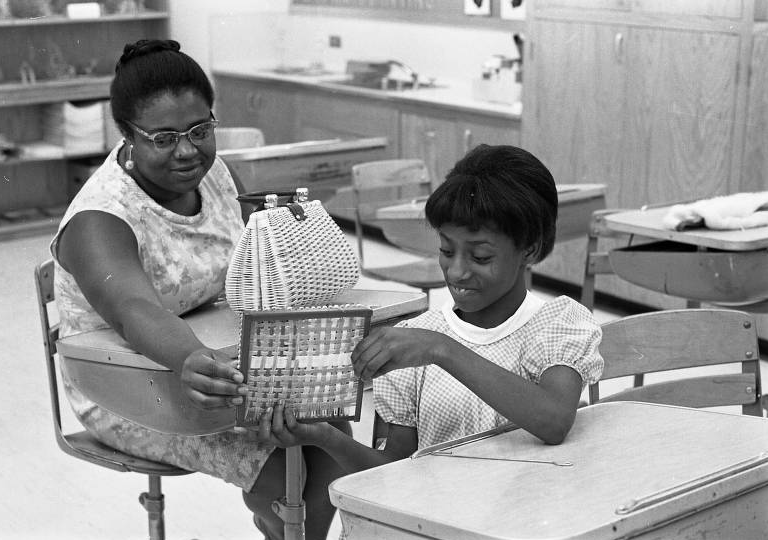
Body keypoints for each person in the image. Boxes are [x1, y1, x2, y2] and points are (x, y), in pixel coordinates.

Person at [50, 39, 346, 540]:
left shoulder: (216, 175)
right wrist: (189, 357)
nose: (187, 150)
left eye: (199, 130)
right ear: (127, 135)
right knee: (281, 465)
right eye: (163, 138)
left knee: (330, 428)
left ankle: (297, 534)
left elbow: (257, 256)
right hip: (123, 384)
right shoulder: (100, 217)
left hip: (211, 363)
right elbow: (133, 308)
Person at [258, 144, 604, 481]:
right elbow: (392, 474)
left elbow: (553, 421)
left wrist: (441, 349)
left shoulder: (557, 323)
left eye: (480, 257)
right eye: (446, 251)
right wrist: (325, 437)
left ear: (529, 249)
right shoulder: (412, 344)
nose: (457, 271)